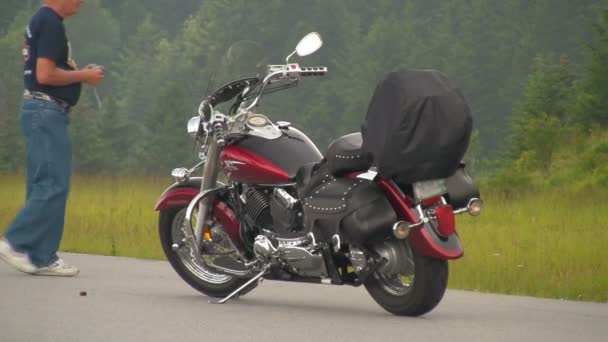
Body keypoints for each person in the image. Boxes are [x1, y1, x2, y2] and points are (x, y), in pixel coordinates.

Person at [0, 0, 104, 276]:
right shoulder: (50, 23)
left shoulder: (42, 21)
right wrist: (85, 75)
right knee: (53, 184)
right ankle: (15, 241)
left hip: (40, 110)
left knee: (44, 185)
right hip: (46, 110)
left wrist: (78, 73)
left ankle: (42, 256)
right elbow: (44, 74)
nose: (82, 2)